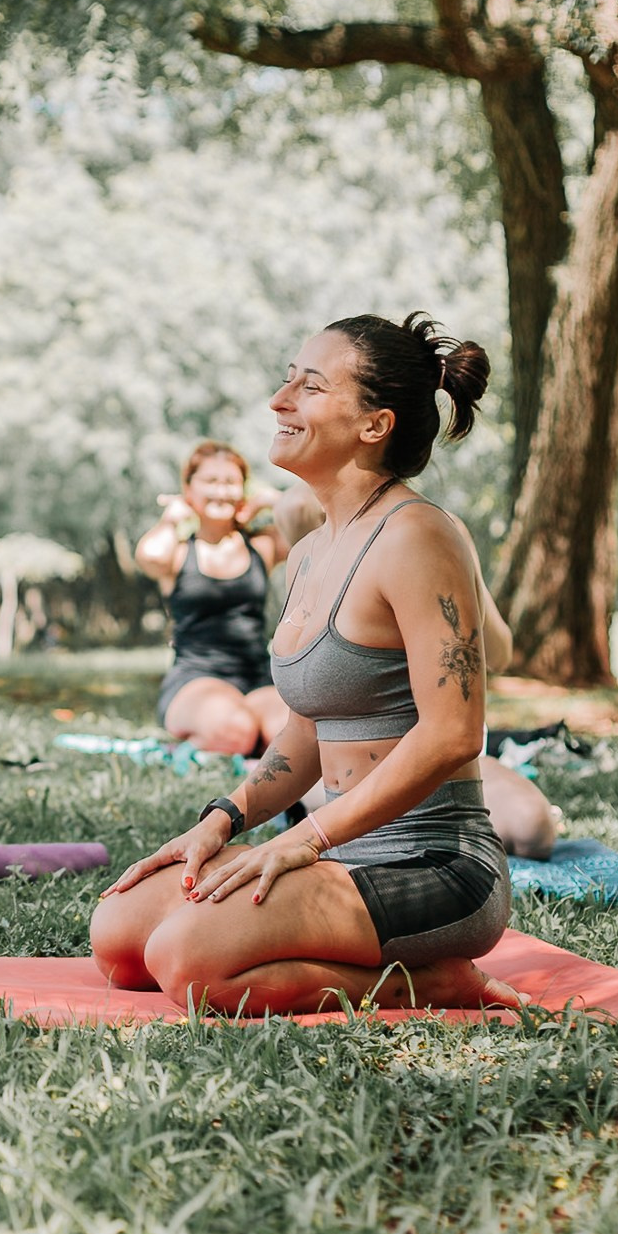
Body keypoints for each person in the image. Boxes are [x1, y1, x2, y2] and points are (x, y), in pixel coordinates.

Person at [90, 312, 522, 1014]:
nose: (279, 400)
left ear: (373, 425)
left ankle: (436, 982)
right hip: (340, 858)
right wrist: (222, 820)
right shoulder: (311, 553)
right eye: (289, 379)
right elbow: (304, 733)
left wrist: (305, 839)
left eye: (310, 387)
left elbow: (453, 734)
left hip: (435, 867)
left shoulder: (419, 536)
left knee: (184, 961)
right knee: (119, 938)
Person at [277, 483, 560, 860]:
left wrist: (463, 571)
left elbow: (499, 654)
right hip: (349, 765)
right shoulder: (312, 540)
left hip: (441, 766)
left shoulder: (437, 530)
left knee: (533, 830)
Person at [135, 442, 294, 755]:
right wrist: (172, 518)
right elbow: (149, 555)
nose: (222, 492)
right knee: (235, 731)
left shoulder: (261, 546)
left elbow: (317, 524)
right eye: (211, 482)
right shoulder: (178, 552)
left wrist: (272, 502)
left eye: (231, 483)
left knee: (294, 736)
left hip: (256, 678)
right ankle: (188, 745)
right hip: (195, 680)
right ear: (188, 489)